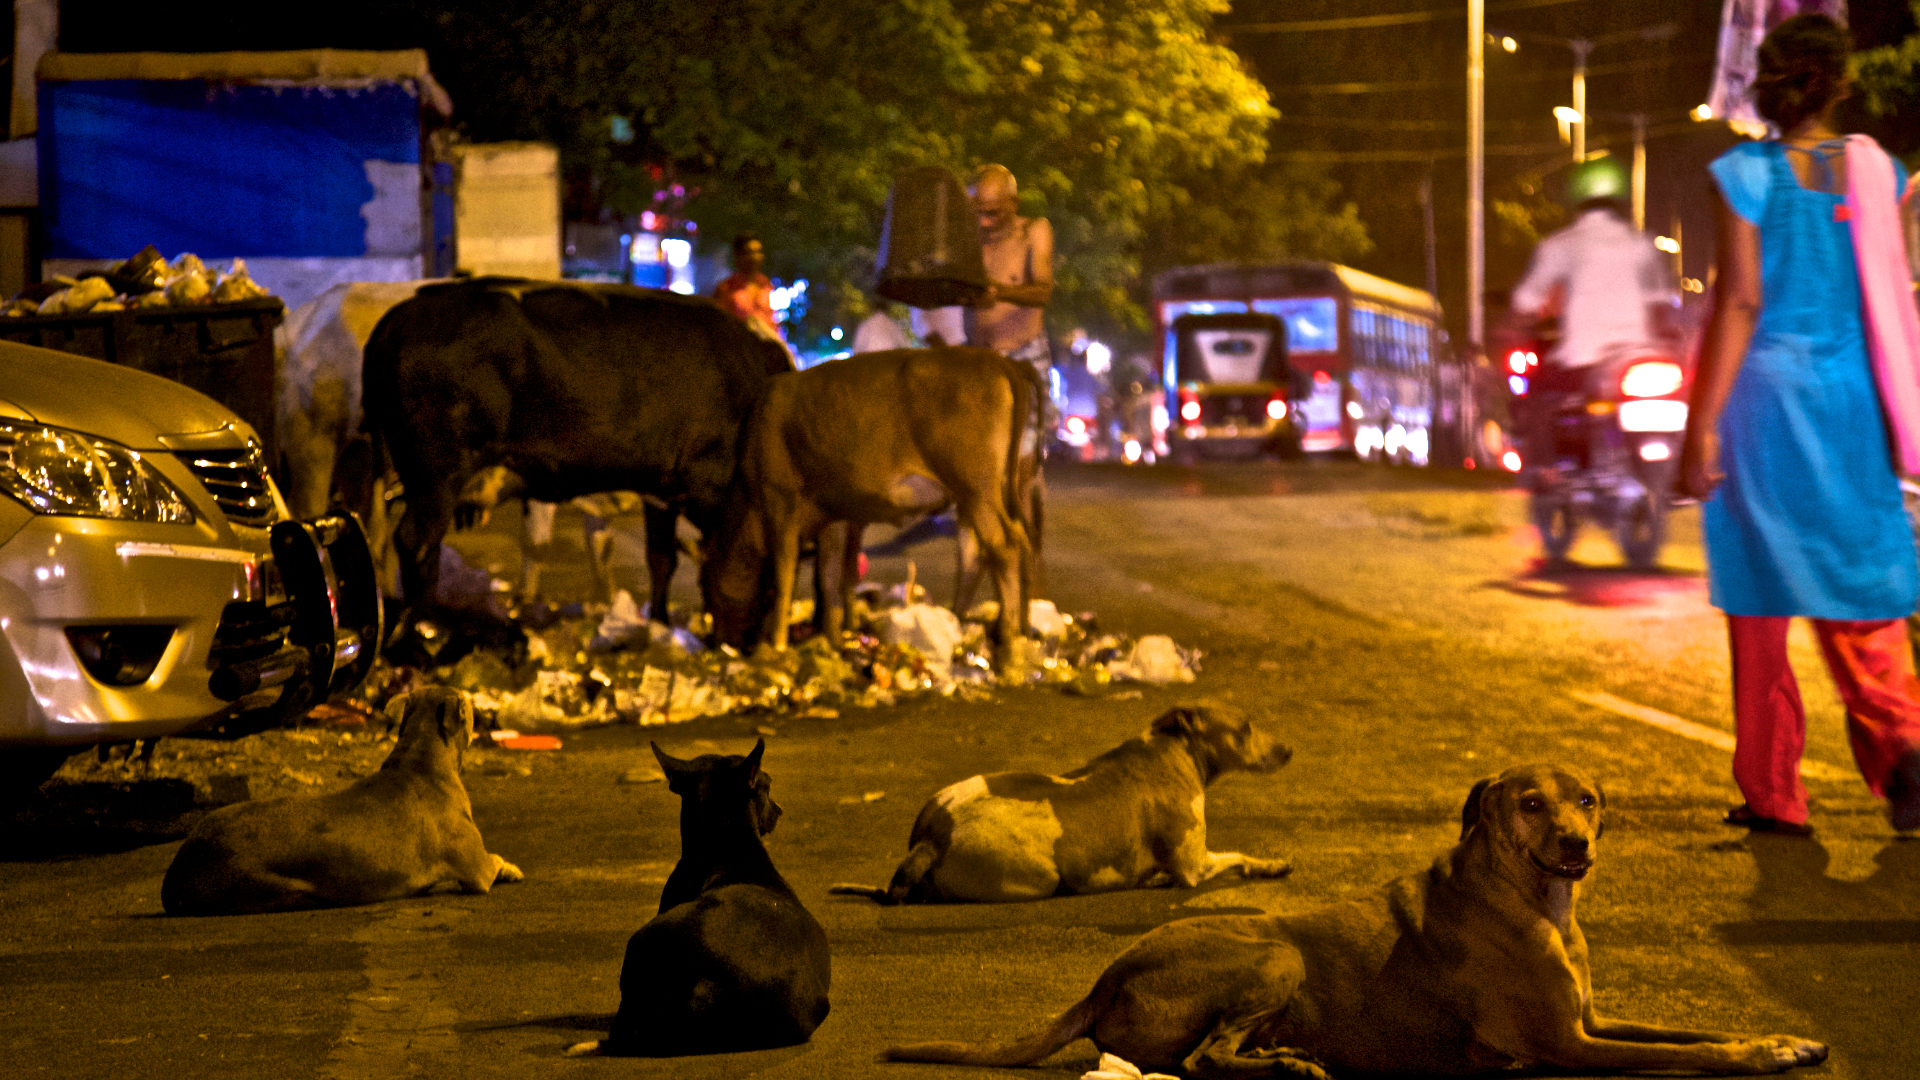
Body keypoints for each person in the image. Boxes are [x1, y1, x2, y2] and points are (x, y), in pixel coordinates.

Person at [1680, 13, 1920, 836]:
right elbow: (1892, 292)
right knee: (1860, 577)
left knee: (1759, 595)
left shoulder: (1743, 173)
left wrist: (1701, 425)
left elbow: (1739, 301)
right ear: (1839, 82)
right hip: (1850, 397)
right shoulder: (1878, 172)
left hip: (1765, 401)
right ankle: (1904, 745)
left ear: (1766, 81)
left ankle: (1775, 791)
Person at [1507, 156, 1678, 477]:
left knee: (1536, 398)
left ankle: (1547, 473)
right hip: (1637, 361)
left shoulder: (1560, 245)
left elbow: (1525, 301)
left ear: (1576, 198)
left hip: (1581, 361)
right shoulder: (1642, 246)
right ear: (1622, 199)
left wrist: (1511, 326)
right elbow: (1660, 306)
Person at [964, 165, 1055, 422]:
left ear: (1013, 203)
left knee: (1026, 440)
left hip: (1023, 351)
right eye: (977, 210)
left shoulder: (1032, 232)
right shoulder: (967, 238)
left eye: (992, 212)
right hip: (979, 354)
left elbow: (1043, 291)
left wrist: (999, 291)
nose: (983, 220)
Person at [712, 234, 783, 343]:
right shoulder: (726, 289)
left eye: (758, 251)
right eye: (748, 252)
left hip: (766, 350)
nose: (754, 257)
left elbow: (774, 323)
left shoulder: (766, 285)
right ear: (737, 256)